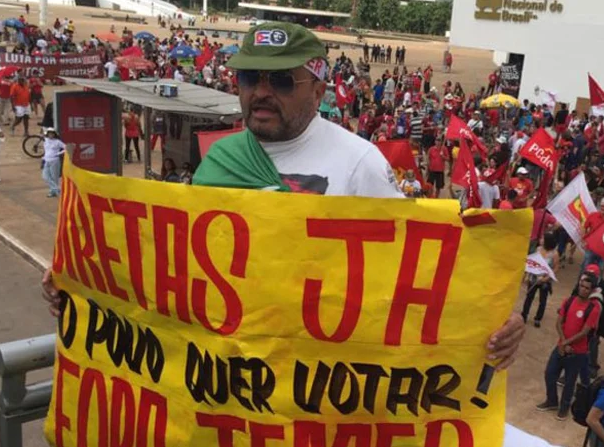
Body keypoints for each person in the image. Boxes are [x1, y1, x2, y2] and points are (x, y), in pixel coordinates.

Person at [42, 22, 527, 371]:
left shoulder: (360, 165)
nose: (260, 92)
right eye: (250, 78)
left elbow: (418, 277)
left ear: (317, 89)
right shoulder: (219, 158)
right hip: (227, 378)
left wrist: (492, 319)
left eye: (279, 80)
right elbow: (176, 270)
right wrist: (84, 284)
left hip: (314, 385)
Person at [536, 275, 600, 420]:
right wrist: (563, 342)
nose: (583, 290)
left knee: (569, 382)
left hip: (578, 352)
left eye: (586, 288)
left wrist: (566, 343)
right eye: (581, 286)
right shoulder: (569, 301)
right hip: (561, 347)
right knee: (549, 374)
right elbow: (559, 322)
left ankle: (564, 408)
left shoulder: (593, 309)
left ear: (592, 291)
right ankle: (552, 401)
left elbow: (585, 332)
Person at [522, 232, 559, 328]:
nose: (541, 239)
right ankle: (524, 315)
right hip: (534, 278)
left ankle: (538, 318)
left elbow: (556, 268)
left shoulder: (554, 254)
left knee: (542, 300)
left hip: (545, 281)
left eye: (543, 238)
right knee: (529, 297)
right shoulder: (538, 249)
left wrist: (547, 278)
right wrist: (526, 275)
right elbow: (532, 262)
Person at [41, 128, 65, 198]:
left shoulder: (58, 142)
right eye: (49, 133)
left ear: (54, 134)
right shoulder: (45, 140)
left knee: (54, 178)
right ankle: (56, 189)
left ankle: (52, 192)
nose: (50, 135)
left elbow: (66, 148)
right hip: (46, 160)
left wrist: (58, 153)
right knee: (45, 176)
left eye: (52, 133)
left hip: (55, 161)